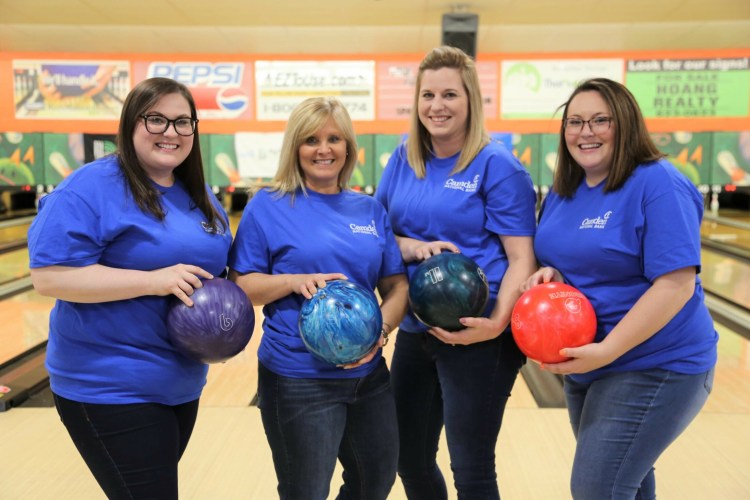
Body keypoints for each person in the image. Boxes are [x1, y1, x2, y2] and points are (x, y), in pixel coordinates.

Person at [28, 77, 232, 499]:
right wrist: (154, 281)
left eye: (182, 122)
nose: (170, 132)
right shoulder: (90, 187)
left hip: (180, 381)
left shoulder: (199, 195)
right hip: (108, 384)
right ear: (130, 123)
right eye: (155, 119)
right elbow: (49, 276)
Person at [522, 77, 718, 499]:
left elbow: (676, 285)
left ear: (625, 123)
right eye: (574, 122)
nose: (585, 132)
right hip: (589, 363)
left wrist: (607, 351)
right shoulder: (565, 188)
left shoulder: (658, 183)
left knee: (597, 488)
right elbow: (566, 254)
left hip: (657, 363)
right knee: (623, 482)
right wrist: (551, 272)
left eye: (599, 120)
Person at [374, 46, 537, 499]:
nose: (437, 105)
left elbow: (522, 258)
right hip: (416, 329)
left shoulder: (497, 165)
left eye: (450, 93)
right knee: (407, 457)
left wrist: (496, 323)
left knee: (471, 466)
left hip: (480, 332)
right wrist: (411, 246)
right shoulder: (403, 157)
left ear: (471, 100)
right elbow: (381, 235)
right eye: (428, 94)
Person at [228, 96, 409, 500]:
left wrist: (379, 330)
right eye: (310, 139)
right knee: (305, 491)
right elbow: (241, 286)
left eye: (333, 138)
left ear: (348, 146)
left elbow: (397, 286)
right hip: (298, 378)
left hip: (369, 375)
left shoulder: (370, 210)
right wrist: (293, 282)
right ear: (295, 147)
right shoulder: (266, 206)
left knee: (374, 481)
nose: (323, 149)